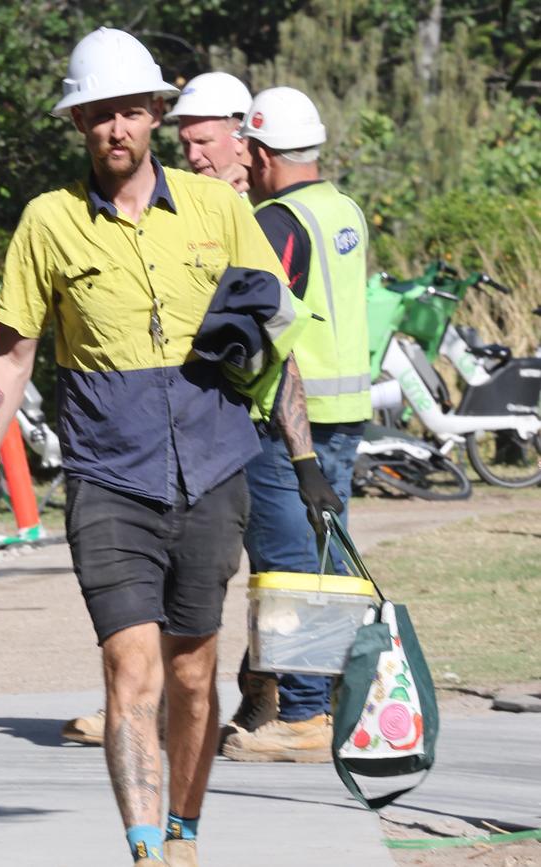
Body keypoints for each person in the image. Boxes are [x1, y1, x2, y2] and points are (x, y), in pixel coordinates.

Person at [0, 31, 341, 867]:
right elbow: (11, 355)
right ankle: (146, 846)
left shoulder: (217, 209)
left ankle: (187, 834)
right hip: (107, 477)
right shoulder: (48, 222)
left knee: (193, 676)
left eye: (131, 110)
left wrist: (304, 463)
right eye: (99, 113)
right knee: (131, 672)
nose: (116, 127)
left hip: (215, 465)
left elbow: (277, 334)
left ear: (156, 113)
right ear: (79, 119)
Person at [61, 71, 256, 749]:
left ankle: (283, 702)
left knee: (226, 620)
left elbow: (278, 325)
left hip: (227, 444)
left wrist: (303, 448)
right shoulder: (59, 220)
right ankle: (136, 708)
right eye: (189, 140)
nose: (196, 151)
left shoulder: (241, 212)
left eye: (205, 139)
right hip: (127, 461)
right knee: (136, 646)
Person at [220, 87, 373, 763]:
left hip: (291, 425)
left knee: (291, 566)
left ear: (258, 152)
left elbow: (268, 328)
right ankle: (323, 697)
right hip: (347, 413)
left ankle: (307, 714)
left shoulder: (278, 223)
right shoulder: (344, 210)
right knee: (323, 558)